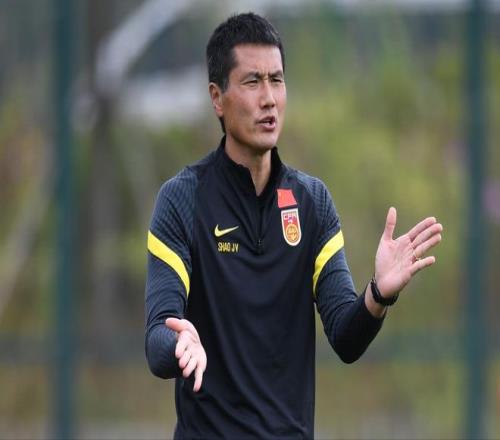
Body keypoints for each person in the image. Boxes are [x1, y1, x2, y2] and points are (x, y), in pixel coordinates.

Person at [145, 12, 443, 439]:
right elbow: (157, 339)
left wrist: (378, 294)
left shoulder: (312, 202)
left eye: (277, 80)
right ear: (217, 98)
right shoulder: (182, 200)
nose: (269, 99)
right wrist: (180, 344)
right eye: (252, 82)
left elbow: (345, 337)